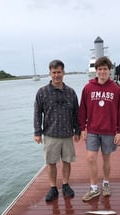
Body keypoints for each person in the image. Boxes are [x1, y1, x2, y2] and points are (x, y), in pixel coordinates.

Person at [78, 56, 120, 201]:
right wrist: (82, 128)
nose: (102, 72)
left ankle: (106, 183)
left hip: (109, 131)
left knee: (106, 158)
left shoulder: (116, 89)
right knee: (91, 158)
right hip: (92, 130)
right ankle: (94, 188)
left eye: (105, 69)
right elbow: (82, 110)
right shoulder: (88, 88)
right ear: (96, 71)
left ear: (109, 70)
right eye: (99, 69)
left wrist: (119, 131)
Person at [34, 59, 80, 202]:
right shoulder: (42, 92)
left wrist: (77, 130)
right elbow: (37, 112)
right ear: (50, 73)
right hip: (50, 134)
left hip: (67, 134)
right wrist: (37, 132)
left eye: (59, 72)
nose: (56, 75)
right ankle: (53, 187)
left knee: (67, 161)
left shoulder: (71, 92)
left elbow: (76, 113)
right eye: (53, 72)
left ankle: (65, 185)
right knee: (51, 163)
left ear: (63, 72)